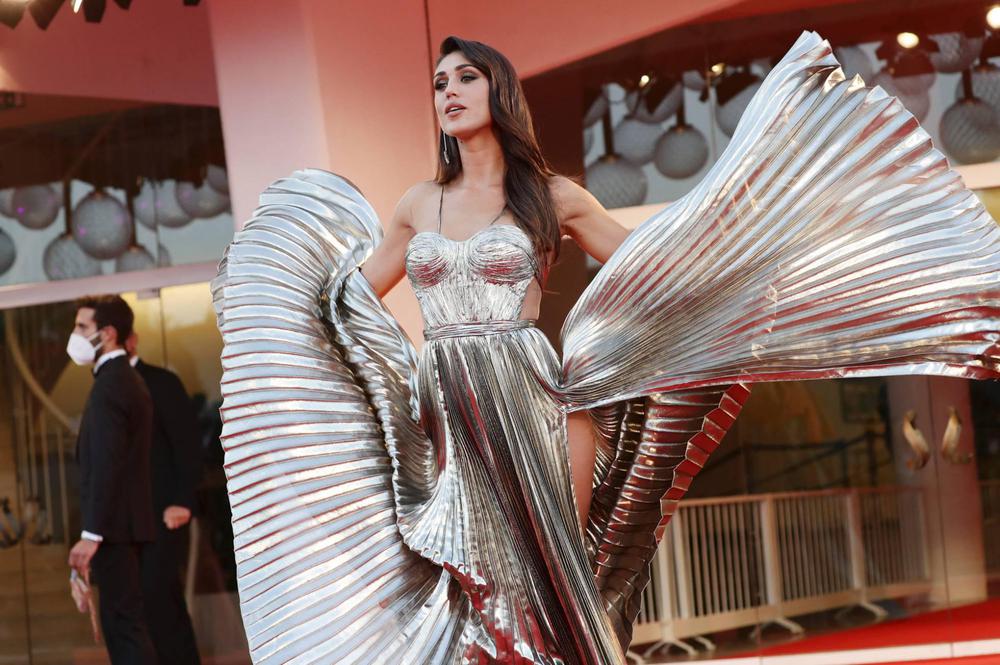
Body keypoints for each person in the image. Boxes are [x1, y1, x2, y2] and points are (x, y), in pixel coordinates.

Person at [212, 32, 1000, 664]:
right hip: (448, 414)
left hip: (536, 403)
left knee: (550, 580)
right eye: (439, 82)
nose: (448, 91)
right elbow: (350, 297)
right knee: (476, 588)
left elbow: (650, 268)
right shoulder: (419, 204)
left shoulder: (552, 197)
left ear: (499, 91)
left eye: (465, 78)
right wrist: (264, 294)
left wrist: (748, 263)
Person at [67, 295, 157, 664]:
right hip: (122, 527)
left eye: (81, 327)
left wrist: (92, 534)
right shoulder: (119, 380)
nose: (74, 335)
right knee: (124, 626)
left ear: (107, 333)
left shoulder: (113, 384)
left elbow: (108, 464)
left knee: (124, 629)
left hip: (115, 530)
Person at [125, 332, 202, 665]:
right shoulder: (101, 388)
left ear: (128, 339)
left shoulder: (160, 382)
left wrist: (184, 500)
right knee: (136, 612)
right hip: (124, 525)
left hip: (162, 516)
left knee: (161, 603)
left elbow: (188, 443)